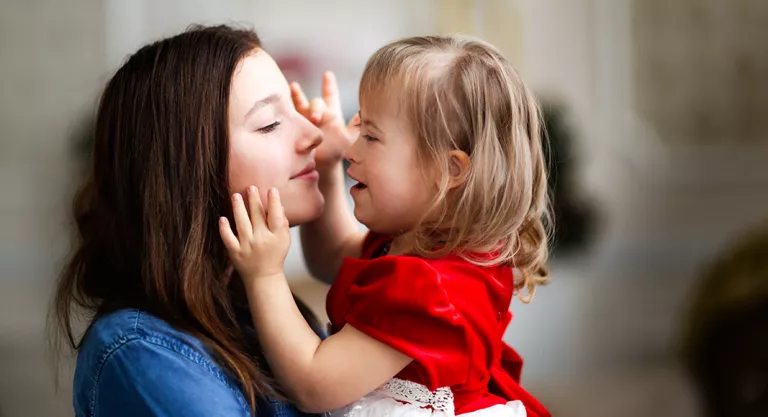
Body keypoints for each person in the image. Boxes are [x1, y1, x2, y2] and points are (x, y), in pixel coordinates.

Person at [219, 35, 552, 417]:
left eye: (371, 136)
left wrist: (264, 276)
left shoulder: (430, 289)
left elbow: (313, 384)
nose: (351, 149)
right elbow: (331, 257)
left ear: (448, 169)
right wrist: (326, 169)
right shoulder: (417, 241)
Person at [49, 24, 346, 416]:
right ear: (186, 168)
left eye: (298, 112)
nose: (313, 135)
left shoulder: (255, 316)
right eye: (270, 123)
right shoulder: (142, 353)